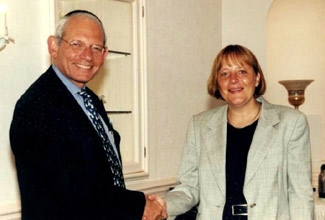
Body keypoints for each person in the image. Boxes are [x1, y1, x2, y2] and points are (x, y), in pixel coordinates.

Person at [10, 10, 167, 220]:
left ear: (104, 54)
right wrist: (140, 206)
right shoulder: (35, 107)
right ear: (53, 46)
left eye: (96, 48)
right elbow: (71, 189)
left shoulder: (91, 100)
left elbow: (102, 176)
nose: (87, 56)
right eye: (76, 44)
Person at [164, 45, 314, 219]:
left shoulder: (291, 122)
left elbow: (300, 195)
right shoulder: (199, 125)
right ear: (217, 82)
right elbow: (189, 188)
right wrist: (162, 205)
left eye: (242, 71)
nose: (233, 80)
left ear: (256, 78)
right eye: (224, 73)